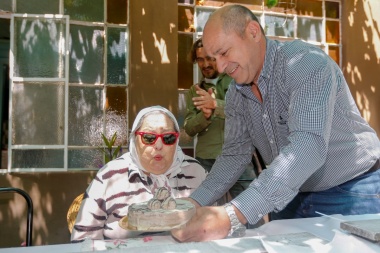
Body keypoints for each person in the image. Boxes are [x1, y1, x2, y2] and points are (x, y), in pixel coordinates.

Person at [172, 4, 380, 242]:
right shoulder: (235, 94)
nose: (219, 67)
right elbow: (234, 155)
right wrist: (193, 203)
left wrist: (233, 213)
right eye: (212, 58)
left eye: (224, 53)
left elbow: (307, 148)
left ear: (252, 31)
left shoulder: (306, 64)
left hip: (352, 190)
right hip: (288, 194)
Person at [71, 106, 207, 242]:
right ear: (134, 139)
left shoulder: (196, 172)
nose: (159, 145)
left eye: (168, 138)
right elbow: (83, 239)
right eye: (148, 137)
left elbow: (215, 224)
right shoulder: (109, 177)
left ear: (176, 141)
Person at [184, 38, 259, 207]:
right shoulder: (194, 91)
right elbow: (189, 128)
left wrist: (215, 105)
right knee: (205, 211)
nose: (206, 64)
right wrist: (205, 115)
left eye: (210, 58)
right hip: (206, 159)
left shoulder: (238, 82)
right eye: (200, 60)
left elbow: (248, 112)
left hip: (239, 157)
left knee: (250, 208)